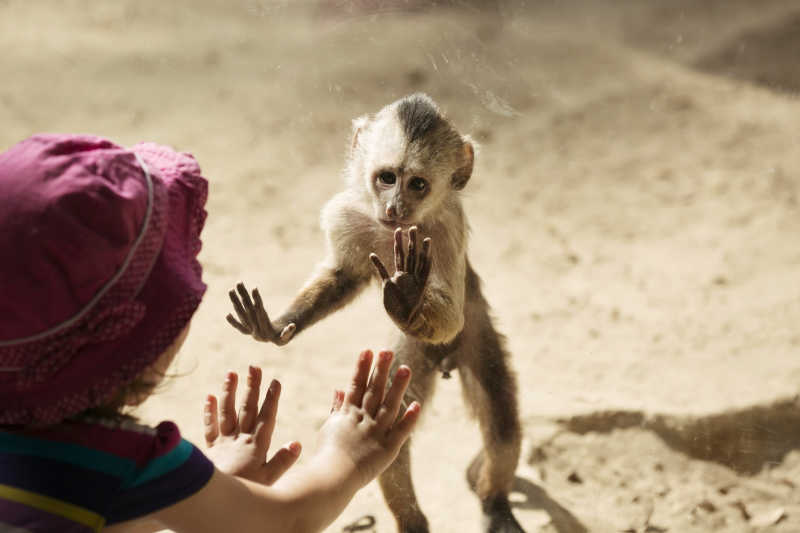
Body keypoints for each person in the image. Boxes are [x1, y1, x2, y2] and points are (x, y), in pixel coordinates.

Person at [0, 134, 421, 533]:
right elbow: (285, 521)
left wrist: (212, 488)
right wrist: (347, 457)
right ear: (129, 342)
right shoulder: (123, 462)